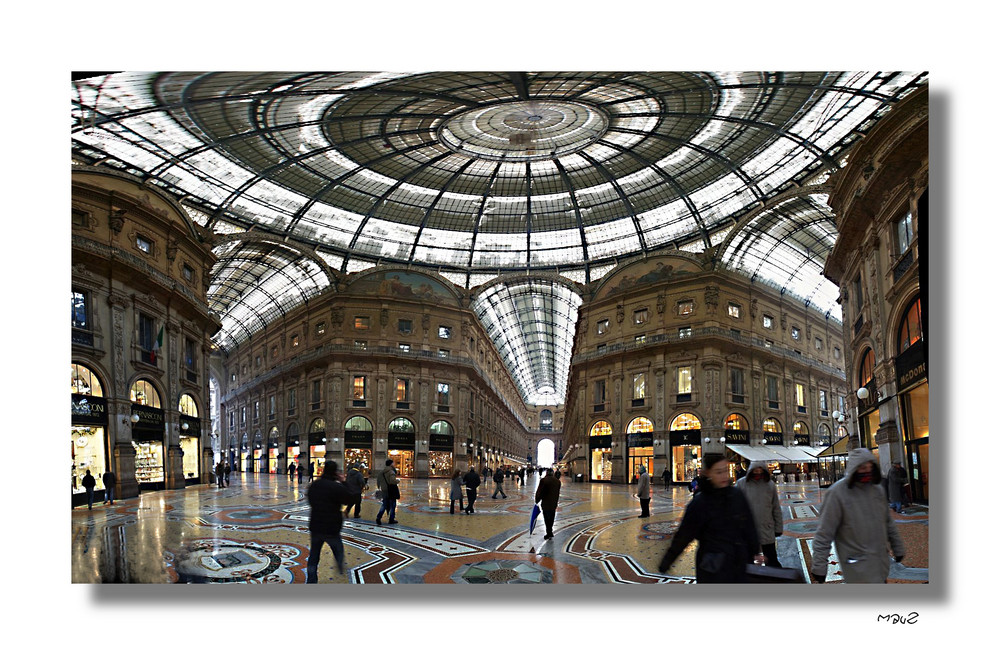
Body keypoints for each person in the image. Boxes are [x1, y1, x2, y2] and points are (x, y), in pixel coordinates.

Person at [658, 454, 762, 583]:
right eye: (718, 472)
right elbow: (684, 535)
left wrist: (755, 550)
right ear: (708, 473)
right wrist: (667, 561)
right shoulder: (700, 503)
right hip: (712, 568)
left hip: (738, 563)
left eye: (725, 470)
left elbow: (749, 525)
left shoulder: (736, 495)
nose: (724, 476)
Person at [810, 448, 905, 584]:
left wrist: (898, 547)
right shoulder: (837, 494)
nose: (866, 471)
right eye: (862, 467)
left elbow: (888, 523)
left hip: (880, 565)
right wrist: (819, 566)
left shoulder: (877, 490)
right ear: (854, 468)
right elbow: (824, 533)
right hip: (857, 570)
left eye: (869, 467)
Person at [305, 461, 351, 582]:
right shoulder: (336, 487)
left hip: (316, 525)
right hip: (331, 527)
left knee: (314, 555)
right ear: (335, 472)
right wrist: (344, 482)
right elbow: (349, 499)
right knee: (338, 549)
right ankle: (340, 567)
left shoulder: (314, 485)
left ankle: (311, 580)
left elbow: (309, 500)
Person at [734, 460, 784, 568]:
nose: (758, 471)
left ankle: (774, 581)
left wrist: (778, 527)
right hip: (747, 530)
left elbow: (776, 507)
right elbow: (734, 508)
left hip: (766, 528)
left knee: (771, 559)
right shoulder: (741, 484)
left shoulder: (770, 485)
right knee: (748, 561)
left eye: (760, 469)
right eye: (755, 469)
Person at [534, 468, 561, 539]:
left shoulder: (544, 480)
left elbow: (540, 491)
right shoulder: (557, 481)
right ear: (552, 473)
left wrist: (537, 500)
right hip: (554, 503)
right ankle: (550, 531)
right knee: (552, 517)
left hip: (546, 503)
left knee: (546, 518)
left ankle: (549, 532)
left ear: (546, 473)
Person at [375, 459, 400, 526]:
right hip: (391, 490)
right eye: (393, 463)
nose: (394, 464)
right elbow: (392, 481)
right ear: (391, 464)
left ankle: (378, 517)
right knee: (392, 505)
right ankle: (391, 519)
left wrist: (381, 487)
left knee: (384, 504)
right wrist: (398, 481)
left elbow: (378, 482)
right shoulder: (391, 472)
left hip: (384, 490)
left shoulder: (381, 472)